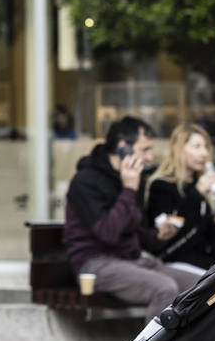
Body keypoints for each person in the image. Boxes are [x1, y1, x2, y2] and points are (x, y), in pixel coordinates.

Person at [63, 115, 199, 322]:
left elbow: (137, 232)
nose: (150, 157)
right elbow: (108, 233)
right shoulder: (85, 181)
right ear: (122, 147)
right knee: (164, 288)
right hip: (96, 264)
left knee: (203, 284)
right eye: (144, 150)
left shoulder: (135, 179)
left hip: (133, 261)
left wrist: (158, 235)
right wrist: (128, 189)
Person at [145, 123, 215, 274]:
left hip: (203, 263)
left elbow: (207, 241)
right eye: (196, 147)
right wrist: (197, 193)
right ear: (179, 149)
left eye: (206, 147)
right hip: (172, 262)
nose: (204, 153)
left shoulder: (198, 184)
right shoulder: (162, 186)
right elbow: (167, 238)